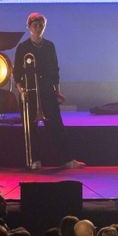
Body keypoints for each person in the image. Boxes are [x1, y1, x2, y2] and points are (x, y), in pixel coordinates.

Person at [14, 12, 85, 171]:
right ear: (29, 27)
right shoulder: (23, 47)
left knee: (56, 126)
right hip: (29, 92)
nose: (38, 28)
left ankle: (66, 160)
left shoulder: (49, 46)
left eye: (41, 25)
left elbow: (55, 71)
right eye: (35, 25)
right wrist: (21, 90)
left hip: (46, 91)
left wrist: (57, 91)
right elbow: (17, 72)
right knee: (31, 128)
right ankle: (35, 160)